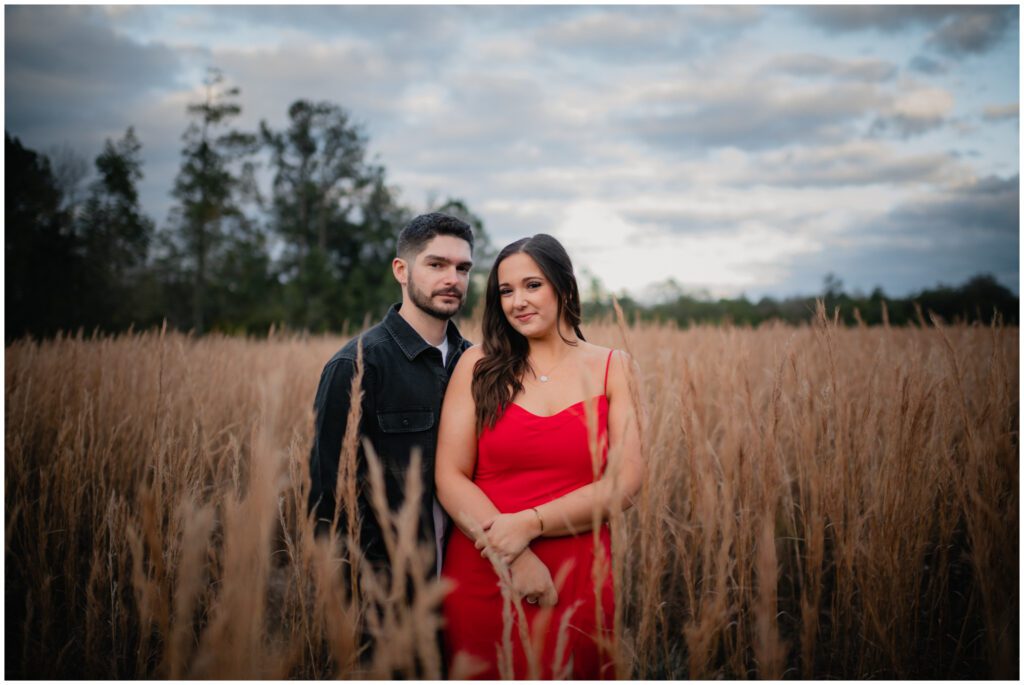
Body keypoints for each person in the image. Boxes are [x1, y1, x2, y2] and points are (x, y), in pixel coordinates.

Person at [435, 234, 644, 679]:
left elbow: (623, 484)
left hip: (580, 570)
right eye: (506, 291)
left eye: (532, 286)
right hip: (485, 565)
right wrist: (515, 557)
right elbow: (450, 477)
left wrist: (530, 524)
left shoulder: (614, 366)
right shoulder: (478, 364)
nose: (517, 302)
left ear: (564, 287)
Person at [308, 211, 474, 590]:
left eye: (463, 268)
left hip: (469, 583)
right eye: (436, 264)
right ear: (401, 270)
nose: (452, 279)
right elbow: (329, 503)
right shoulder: (357, 366)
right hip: (391, 594)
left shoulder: (476, 363)